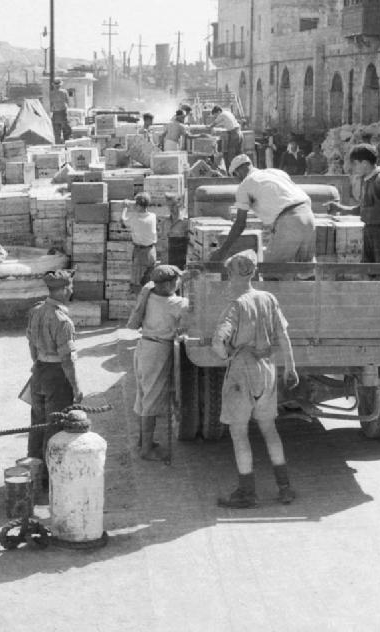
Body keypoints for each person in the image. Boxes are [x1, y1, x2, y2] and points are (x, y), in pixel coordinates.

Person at [211, 250, 299, 508]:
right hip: (268, 368)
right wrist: (291, 367)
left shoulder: (236, 305)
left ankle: (247, 491)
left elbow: (218, 341)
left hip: (242, 370)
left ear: (230, 275)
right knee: (269, 429)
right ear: (254, 272)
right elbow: (283, 336)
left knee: (239, 432)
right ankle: (284, 488)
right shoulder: (268, 298)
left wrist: (227, 354)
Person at [127, 265, 191, 461]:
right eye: (177, 281)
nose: (179, 283)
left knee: (144, 396)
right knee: (152, 401)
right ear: (170, 284)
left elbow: (168, 282)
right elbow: (188, 318)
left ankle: (142, 442)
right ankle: (146, 450)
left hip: (143, 346)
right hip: (158, 351)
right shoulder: (178, 304)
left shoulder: (149, 293)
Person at [211, 154, 315, 265]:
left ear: (238, 172)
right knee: (305, 270)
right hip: (308, 216)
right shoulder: (276, 172)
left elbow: (240, 223)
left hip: (289, 221)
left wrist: (222, 251)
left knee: (271, 270)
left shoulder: (245, 185)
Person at [25, 270, 83, 469]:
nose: (72, 290)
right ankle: (48, 475)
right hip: (56, 374)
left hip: (39, 370)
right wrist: (76, 387)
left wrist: (37, 363)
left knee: (37, 422)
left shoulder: (36, 311)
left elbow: (31, 343)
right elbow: (67, 359)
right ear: (65, 289)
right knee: (54, 425)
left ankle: (32, 467)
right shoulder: (62, 320)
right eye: (71, 286)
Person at [326, 144, 380, 263]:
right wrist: (340, 208)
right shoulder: (366, 180)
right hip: (368, 232)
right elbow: (362, 209)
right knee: (370, 272)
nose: (353, 168)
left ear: (365, 163)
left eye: (355, 164)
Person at [121, 192, 157, 292]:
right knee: (149, 282)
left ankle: (140, 304)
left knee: (137, 284)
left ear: (139, 206)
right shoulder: (153, 216)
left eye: (136, 204)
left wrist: (125, 207)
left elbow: (123, 220)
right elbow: (141, 208)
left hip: (141, 253)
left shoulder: (135, 218)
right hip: (152, 252)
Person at [208, 105, 243, 170]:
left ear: (218, 111)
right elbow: (225, 123)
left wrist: (208, 127)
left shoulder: (222, 115)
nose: (216, 117)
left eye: (216, 115)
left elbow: (214, 123)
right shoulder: (228, 113)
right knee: (238, 154)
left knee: (230, 155)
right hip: (239, 133)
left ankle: (232, 172)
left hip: (234, 134)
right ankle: (239, 170)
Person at [49, 79, 72, 144]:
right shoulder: (64, 92)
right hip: (62, 112)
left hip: (55, 113)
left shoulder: (51, 93)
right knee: (66, 130)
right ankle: (66, 143)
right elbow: (67, 101)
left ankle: (58, 145)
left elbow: (51, 104)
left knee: (57, 132)